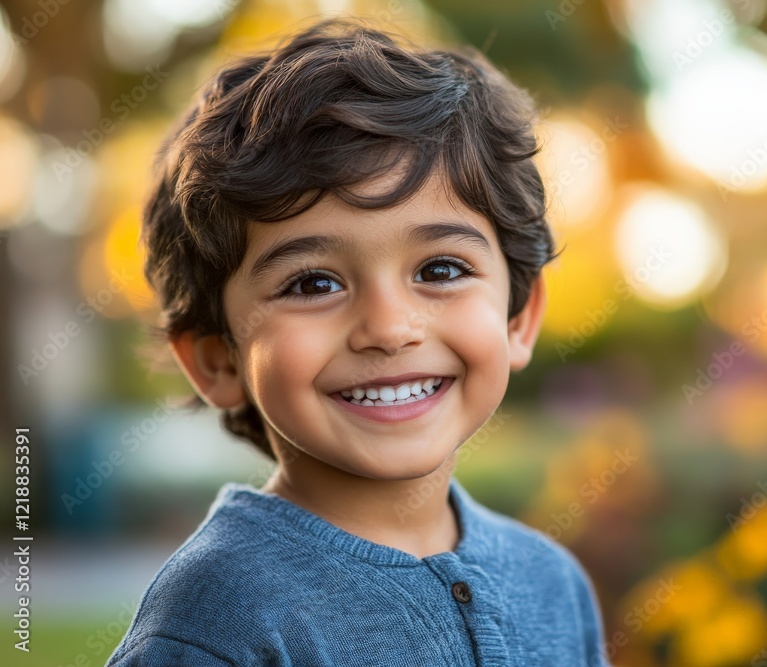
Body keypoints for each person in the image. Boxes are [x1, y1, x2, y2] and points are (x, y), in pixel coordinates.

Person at [106, 16, 610, 667]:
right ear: (216, 358)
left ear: (519, 317)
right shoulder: (216, 618)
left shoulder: (552, 583)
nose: (389, 327)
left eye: (440, 270)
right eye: (313, 282)